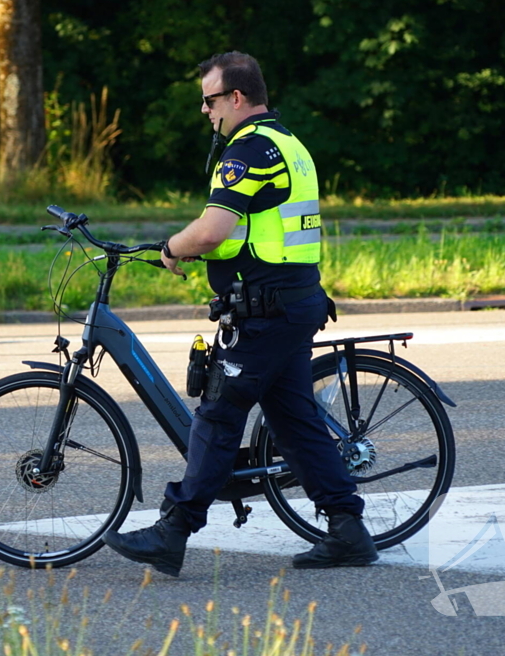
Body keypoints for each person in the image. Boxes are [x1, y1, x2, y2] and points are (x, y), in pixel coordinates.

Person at [102, 51, 377, 577]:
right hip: (293, 302)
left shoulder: (248, 151)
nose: (205, 112)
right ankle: (348, 530)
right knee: (294, 421)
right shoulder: (289, 145)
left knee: (220, 414)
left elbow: (213, 230)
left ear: (236, 97)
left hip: (267, 311)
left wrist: (171, 248)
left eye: (209, 101)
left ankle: (174, 530)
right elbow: (250, 231)